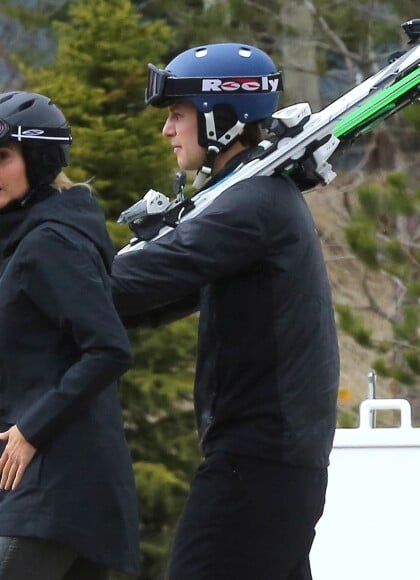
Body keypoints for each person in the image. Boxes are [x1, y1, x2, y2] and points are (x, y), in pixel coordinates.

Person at [111, 43, 340, 580]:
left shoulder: (250, 205)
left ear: (221, 116)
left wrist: (44, 277)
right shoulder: (254, 200)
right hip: (274, 459)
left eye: (177, 114)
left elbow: (140, 277)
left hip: (257, 461)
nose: (167, 130)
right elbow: (159, 297)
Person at [0, 91, 140, 580]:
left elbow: (108, 349)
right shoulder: (37, 235)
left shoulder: (51, 242)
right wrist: (5, 431)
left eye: (1, 157)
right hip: (56, 480)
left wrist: (32, 430)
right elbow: (47, 360)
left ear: (37, 158)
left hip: (59, 490)